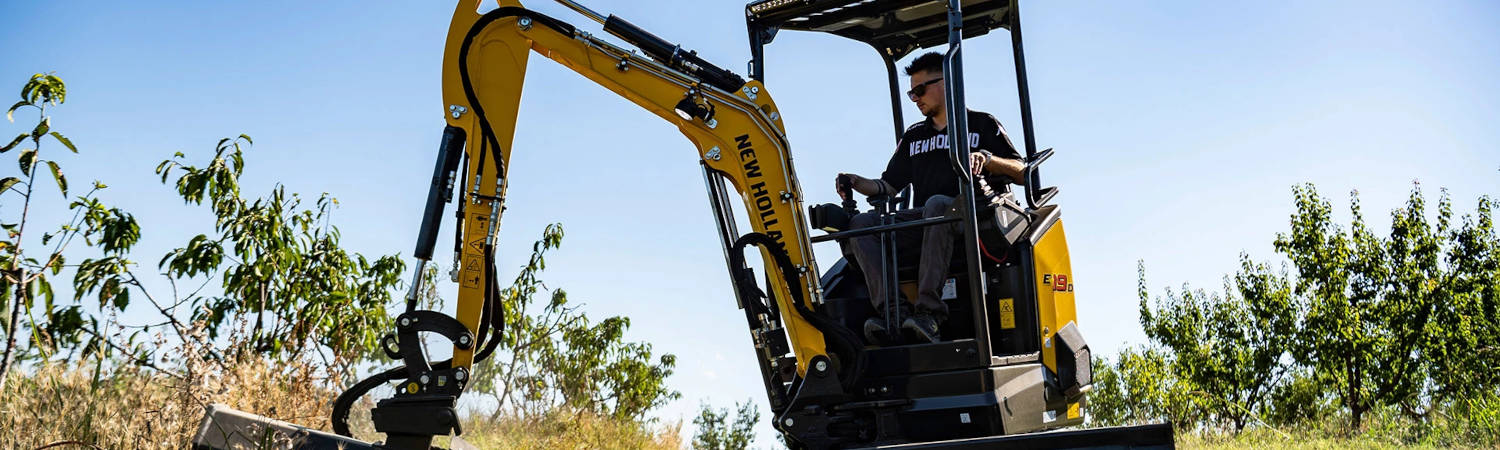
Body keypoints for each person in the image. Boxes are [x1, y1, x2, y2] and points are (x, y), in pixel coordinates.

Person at [837, 51, 1025, 343]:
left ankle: (929, 314)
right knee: (862, 224)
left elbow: (1023, 171)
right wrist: (856, 182)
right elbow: (887, 186)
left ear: (946, 82)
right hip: (927, 222)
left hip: (974, 218)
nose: (916, 98)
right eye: (911, 93)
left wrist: (988, 159)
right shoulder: (914, 137)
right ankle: (893, 313)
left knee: (938, 204)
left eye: (920, 90)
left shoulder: (981, 124)